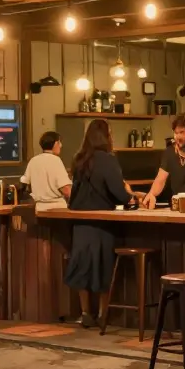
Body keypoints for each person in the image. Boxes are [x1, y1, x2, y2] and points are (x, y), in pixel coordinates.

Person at [65, 119, 135, 327]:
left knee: (82, 266)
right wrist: (130, 196)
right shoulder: (107, 160)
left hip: (80, 222)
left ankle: (86, 313)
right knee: (103, 268)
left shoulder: (79, 159)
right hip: (103, 222)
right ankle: (104, 314)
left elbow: (74, 193)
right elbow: (118, 193)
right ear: (106, 136)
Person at [20, 131, 72, 211]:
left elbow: (25, 184)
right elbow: (65, 189)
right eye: (59, 142)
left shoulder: (33, 160)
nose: (61, 146)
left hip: (39, 208)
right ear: (55, 144)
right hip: (57, 208)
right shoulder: (56, 161)